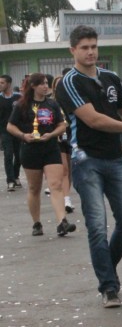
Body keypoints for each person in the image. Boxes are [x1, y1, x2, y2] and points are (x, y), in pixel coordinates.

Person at [56, 25, 122, 308]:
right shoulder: (69, 82)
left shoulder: (111, 77)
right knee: (97, 225)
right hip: (85, 159)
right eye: (84, 47)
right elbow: (94, 119)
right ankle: (109, 287)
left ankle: (107, 270)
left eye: (94, 47)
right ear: (72, 50)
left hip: (115, 159)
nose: (90, 52)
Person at [6, 73, 76, 237]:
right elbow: (10, 126)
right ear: (33, 86)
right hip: (30, 149)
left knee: (55, 185)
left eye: (46, 83)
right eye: (42, 84)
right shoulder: (22, 105)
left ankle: (62, 222)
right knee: (34, 188)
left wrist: (52, 134)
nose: (46, 86)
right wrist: (23, 135)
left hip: (51, 147)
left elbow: (62, 125)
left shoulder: (52, 104)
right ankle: (36, 223)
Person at [52, 75, 75, 213]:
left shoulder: (73, 100)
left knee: (70, 170)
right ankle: (66, 199)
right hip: (58, 138)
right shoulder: (52, 103)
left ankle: (67, 194)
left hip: (72, 137)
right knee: (64, 169)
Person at [1, 75, 22, 191]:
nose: (0, 85)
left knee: (19, 156)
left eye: (2, 83)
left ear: (9, 84)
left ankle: (16, 175)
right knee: (8, 155)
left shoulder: (19, 97)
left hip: (18, 130)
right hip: (5, 131)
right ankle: (10, 180)